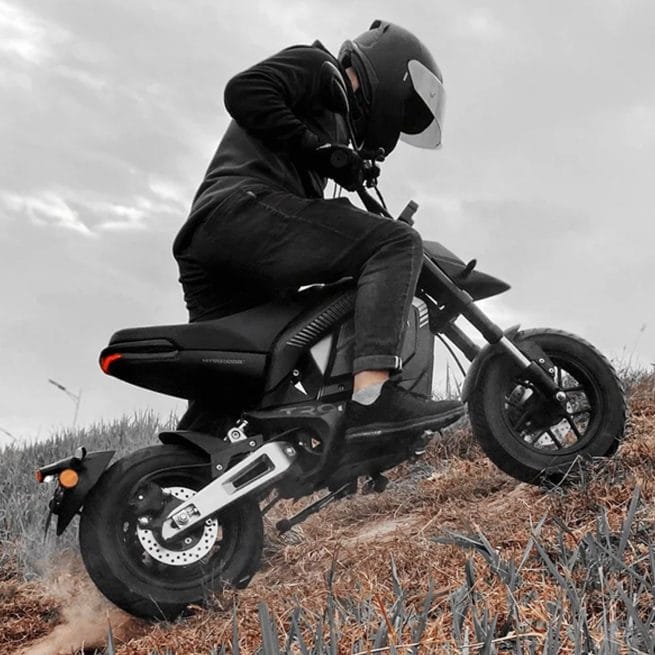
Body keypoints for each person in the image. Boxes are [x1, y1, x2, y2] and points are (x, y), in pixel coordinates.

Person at [173, 20, 464, 442]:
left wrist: (335, 161)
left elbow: (310, 220)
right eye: (402, 110)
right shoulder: (319, 68)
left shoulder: (330, 125)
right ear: (390, 76)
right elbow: (243, 91)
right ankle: (373, 398)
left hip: (217, 240)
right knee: (395, 243)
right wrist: (322, 152)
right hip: (241, 211)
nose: (395, 126)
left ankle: (174, 482)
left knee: (238, 384)